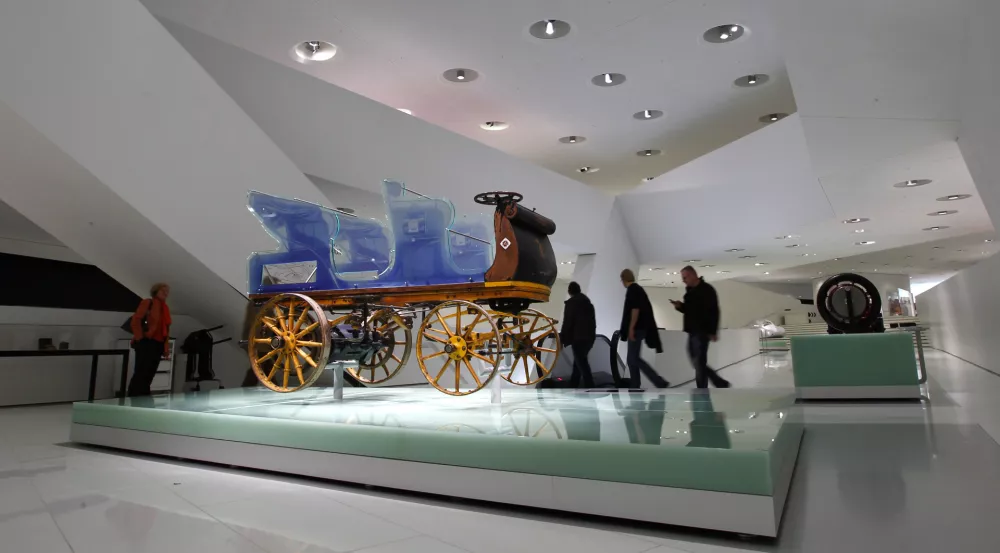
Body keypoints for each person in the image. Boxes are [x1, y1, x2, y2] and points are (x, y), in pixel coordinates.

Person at [670, 267, 731, 389]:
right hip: (692, 331)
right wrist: (680, 306)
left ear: (693, 275)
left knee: (698, 362)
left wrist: (712, 331)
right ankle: (717, 382)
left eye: (685, 277)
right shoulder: (690, 291)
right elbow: (690, 311)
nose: (683, 280)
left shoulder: (707, 290)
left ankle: (703, 389)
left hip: (702, 332)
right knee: (697, 362)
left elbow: (714, 311)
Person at [619, 269, 669, 389]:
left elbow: (635, 309)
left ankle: (657, 381)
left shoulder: (632, 290)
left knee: (633, 358)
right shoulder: (638, 289)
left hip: (637, 328)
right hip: (642, 328)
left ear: (624, 279)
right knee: (632, 359)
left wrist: (631, 328)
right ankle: (635, 384)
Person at [128, 283, 172, 397]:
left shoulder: (165, 307)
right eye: (163, 291)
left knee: (150, 373)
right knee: (141, 373)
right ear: (156, 291)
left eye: (167, 291)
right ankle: (134, 398)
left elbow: (166, 330)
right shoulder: (148, 303)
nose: (166, 294)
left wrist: (165, 348)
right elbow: (136, 320)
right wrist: (140, 338)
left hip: (158, 344)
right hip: (147, 341)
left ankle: (143, 398)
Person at [559, 281, 596, 388]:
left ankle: (590, 386)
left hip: (578, 338)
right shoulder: (588, 304)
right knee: (578, 362)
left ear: (569, 291)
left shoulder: (571, 304)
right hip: (589, 338)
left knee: (581, 363)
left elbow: (567, 323)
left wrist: (562, 340)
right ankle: (573, 384)